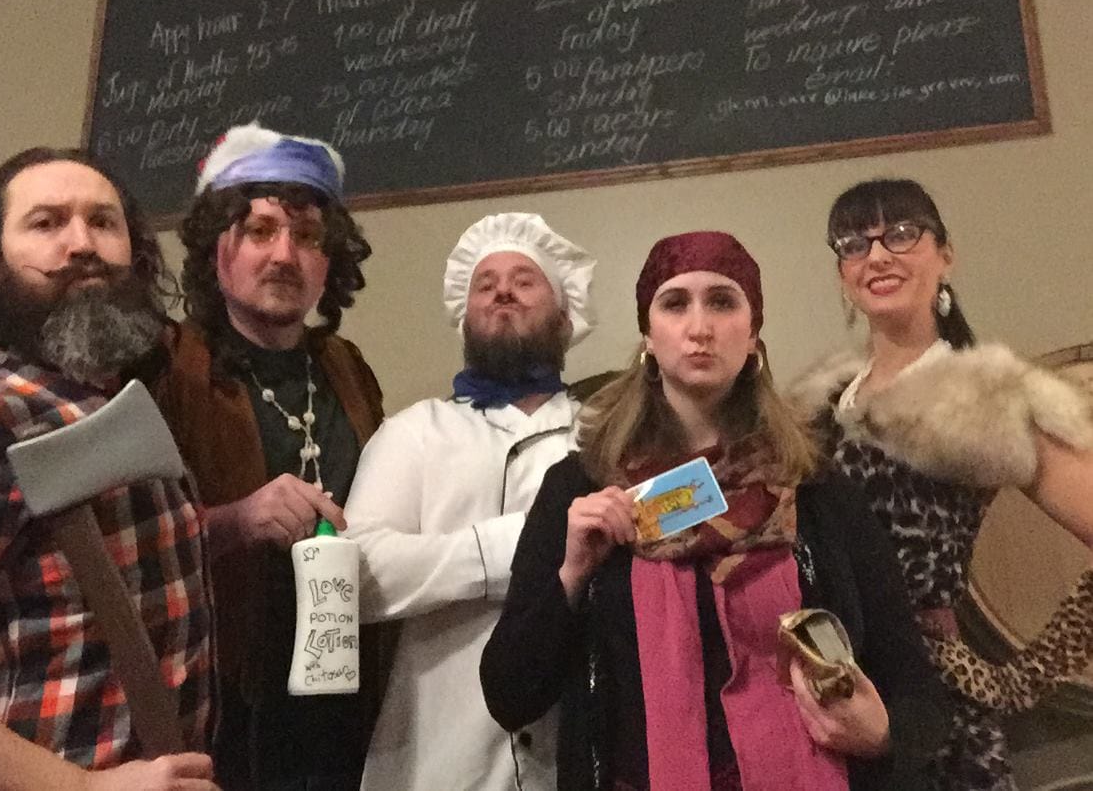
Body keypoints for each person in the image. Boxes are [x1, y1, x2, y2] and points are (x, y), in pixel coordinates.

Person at [482, 231, 951, 791]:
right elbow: (509, 696)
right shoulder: (581, 490)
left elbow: (918, 691)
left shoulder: (818, 491)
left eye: (723, 302)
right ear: (648, 335)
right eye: (675, 303)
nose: (699, 327)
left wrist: (884, 734)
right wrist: (572, 575)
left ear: (753, 335)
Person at [0, 147, 215, 790]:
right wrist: (82, 788)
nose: (82, 244)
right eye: (45, 223)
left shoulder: (94, 396)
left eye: (103, 222)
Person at [790, 179, 1093, 791]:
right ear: (842, 272)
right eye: (854, 243)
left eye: (901, 234)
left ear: (944, 255)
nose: (877, 255)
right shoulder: (818, 406)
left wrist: (1022, 676)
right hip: (831, 686)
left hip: (932, 703)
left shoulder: (985, 398)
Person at [150, 124, 384, 791]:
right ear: (215, 248)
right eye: (259, 231)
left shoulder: (344, 367)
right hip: (220, 699)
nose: (284, 254)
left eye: (307, 236)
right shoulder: (166, 366)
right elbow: (116, 548)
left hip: (342, 699)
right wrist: (233, 521)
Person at [344, 212, 597, 791]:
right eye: (485, 284)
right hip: (437, 760)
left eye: (524, 280)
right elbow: (354, 576)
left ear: (566, 316)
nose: (503, 291)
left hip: (574, 757)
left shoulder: (604, 436)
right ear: (464, 317)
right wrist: (520, 548)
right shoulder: (413, 432)